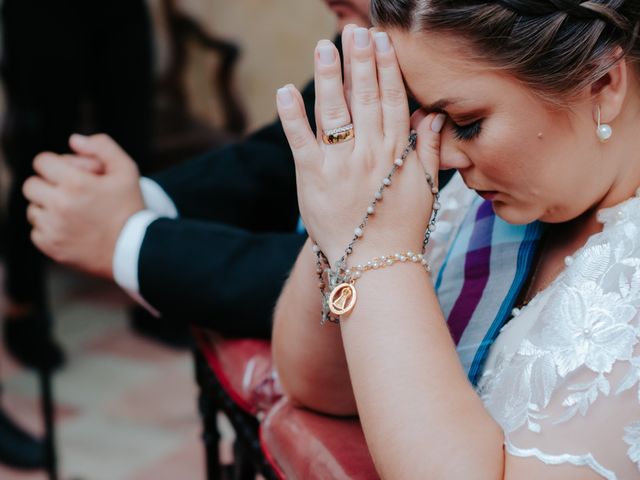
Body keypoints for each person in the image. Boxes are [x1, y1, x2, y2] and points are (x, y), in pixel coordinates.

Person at [272, 1, 640, 478]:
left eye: (465, 121)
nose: (441, 154)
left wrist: (379, 255)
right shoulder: (485, 202)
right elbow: (318, 387)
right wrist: (348, 221)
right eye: (423, 116)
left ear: (601, 83)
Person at [24, 0, 450, 339]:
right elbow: (270, 161)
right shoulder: (357, 42)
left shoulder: (456, 109)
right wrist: (134, 199)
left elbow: (358, 268)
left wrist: (129, 239)